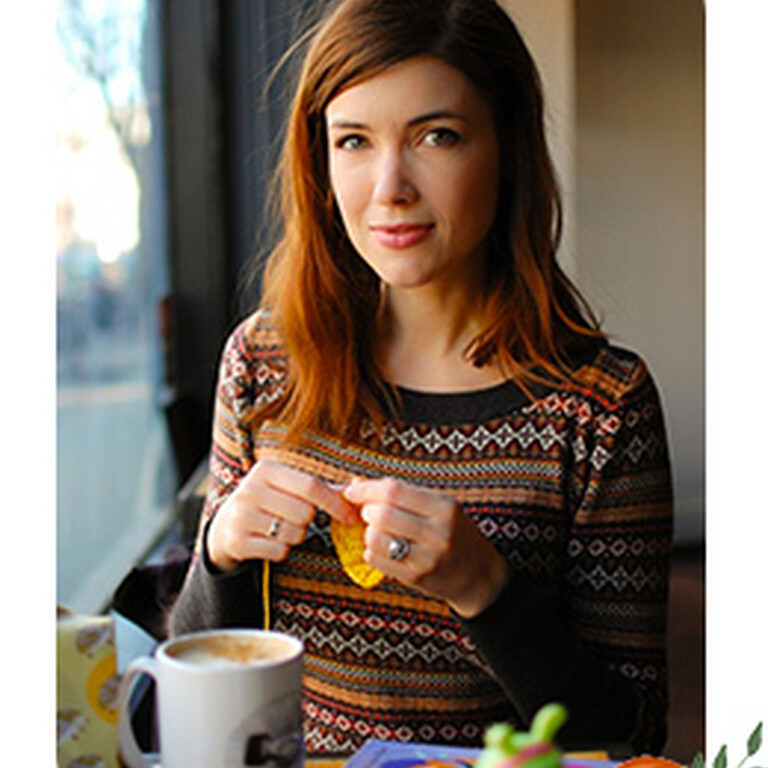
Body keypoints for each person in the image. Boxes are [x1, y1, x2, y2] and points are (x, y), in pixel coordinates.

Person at [170, 0, 673, 757]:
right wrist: (220, 558)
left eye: (437, 136)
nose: (389, 186)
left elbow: (632, 738)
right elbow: (196, 660)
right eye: (354, 141)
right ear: (320, 161)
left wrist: (485, 590)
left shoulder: (601, 410)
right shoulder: (261, 365)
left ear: (506, 146)